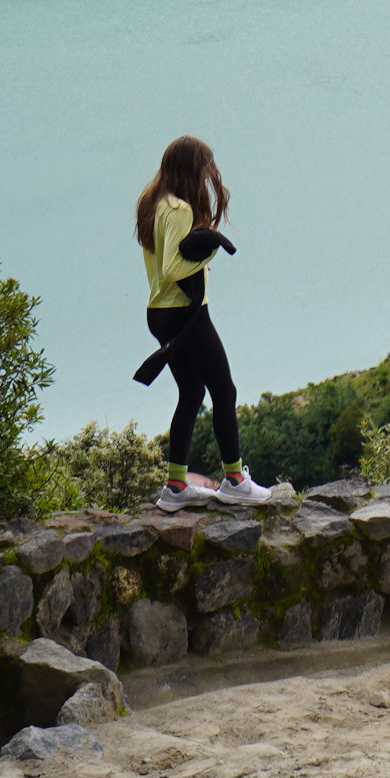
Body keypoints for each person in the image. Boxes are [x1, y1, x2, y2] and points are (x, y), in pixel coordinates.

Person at [134, 135, 271, 506]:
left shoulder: (152, 201)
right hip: (186, 312)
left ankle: (176, 486)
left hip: (159, 311)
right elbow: (173, 266)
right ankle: (234, 479)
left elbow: (162, 260)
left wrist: (195, 259)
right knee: (224, 391)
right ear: (192, 168)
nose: (210, 175)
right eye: (206, 167)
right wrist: (209, 244)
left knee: (192, 392)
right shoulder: (178, 208)